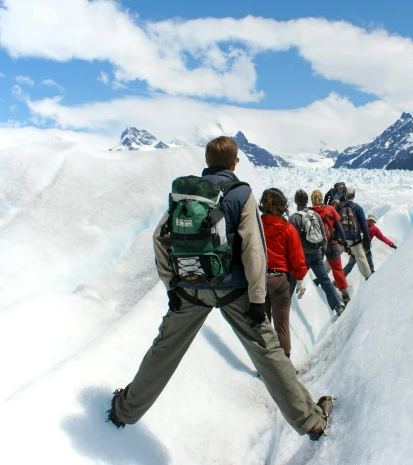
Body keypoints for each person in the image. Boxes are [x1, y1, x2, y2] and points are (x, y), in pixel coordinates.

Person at [108, 136, 332, 440]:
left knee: (163, 351)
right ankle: (312, 422)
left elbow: (160, 237)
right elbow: (254, 249)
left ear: (207, 161)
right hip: (234, 290)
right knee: (269, 355)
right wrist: (256, 298)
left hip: (190, 288)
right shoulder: (241, 193)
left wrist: (171, 284)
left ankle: (124, 410)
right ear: (234, 162)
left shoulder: (186, 193)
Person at [260, 188, 308, 358]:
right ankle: (284, 364)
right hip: (280, 280)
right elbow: (297, 257)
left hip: (258, 280)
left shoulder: (256, 225)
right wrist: (300, 278)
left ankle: (265, 365)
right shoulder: (288, 228)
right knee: (282, 326)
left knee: (263, 325)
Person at [289, 190, 345, 316]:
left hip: (302, 256)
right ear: (307, 200)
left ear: (296, 201)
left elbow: (290, 240)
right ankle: (337, 306)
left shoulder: (294, 218)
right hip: (316, 255)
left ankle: (283, 306)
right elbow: (324, 235)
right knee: (324, 280)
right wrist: (321, 252)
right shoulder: (316, 215)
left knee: (292, 279)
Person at [309, 189, 350, 305]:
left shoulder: (309, 212)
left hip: (316, 245)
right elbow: (339, 226)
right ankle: (345, 295)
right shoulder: (330, 209)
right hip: (331, 243)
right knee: (337, 269)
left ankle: (315, 286)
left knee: (317, 266)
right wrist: (345, 242)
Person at [336, 187, 373, 280]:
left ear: (344, 195)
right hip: (355, 241)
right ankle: (369, 279)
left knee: (333, 258)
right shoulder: (358, 208)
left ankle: (320, 278)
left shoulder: (338, 207)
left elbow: (334, 222)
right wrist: (366, 239)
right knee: (361, 258)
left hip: (341, 240)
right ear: (354, 196)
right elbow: (364, 226)